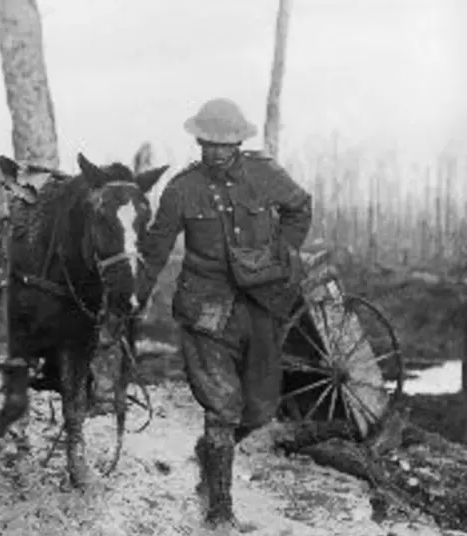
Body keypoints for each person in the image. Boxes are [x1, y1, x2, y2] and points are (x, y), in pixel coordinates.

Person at [137, 98, 313, 532]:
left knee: (260, 408)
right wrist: (133, 300)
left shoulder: (263, 174)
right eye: (209, 143)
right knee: (223, 406)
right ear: (198, 142)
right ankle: (219, 510)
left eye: (226, 143)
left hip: (261, 307)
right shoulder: (181, 189)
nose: (216, 151)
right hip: (205, 312)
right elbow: (155, 248)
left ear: (239, 142)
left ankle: (212, 451)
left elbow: (299, 207)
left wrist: (279, 254)